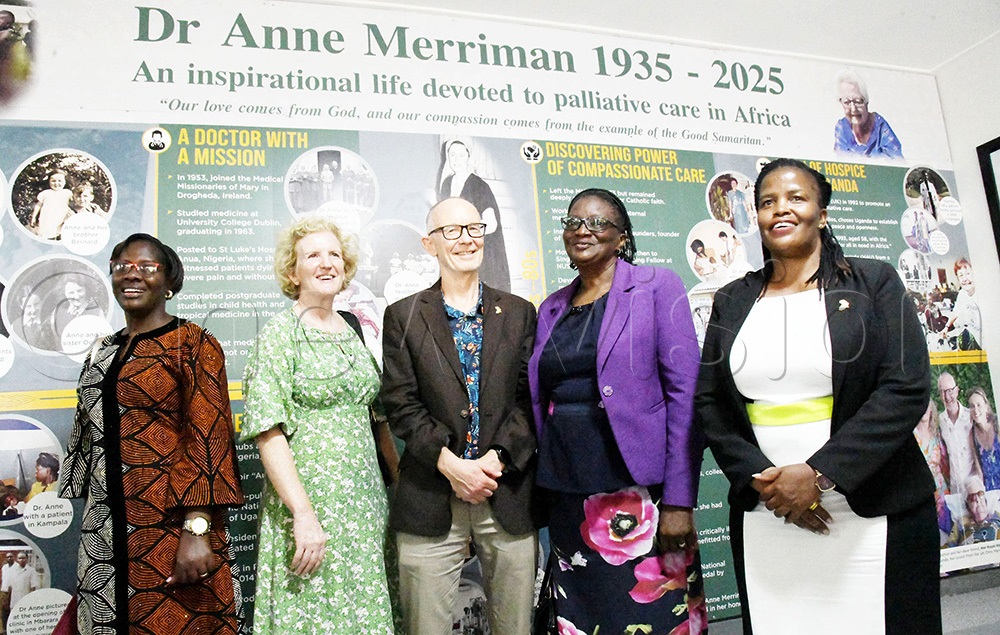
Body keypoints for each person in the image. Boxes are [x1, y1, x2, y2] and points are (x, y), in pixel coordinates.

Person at [696, 158, 940, 633]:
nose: (780, 210)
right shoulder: (731, 299)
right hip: (769, 513)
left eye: (796, 198)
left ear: (822, 214)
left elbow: (905, 386)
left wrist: (820, 475)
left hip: (870, 507)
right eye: (767, 202)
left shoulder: (874, 282)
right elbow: (711, 402)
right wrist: (764, 483)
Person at [529, 188, 706, 634]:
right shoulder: (551, 307)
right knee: (584, 620)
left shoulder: (656, 286)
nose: (582, 230)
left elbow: (686, 393)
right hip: (569, 497)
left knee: (655, 616)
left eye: (596, 222)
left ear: (622, 237)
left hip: (641, 496)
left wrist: (680, 501)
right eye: (573, 222)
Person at [60, 233, 244, 635]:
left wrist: (197, 531)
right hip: (104, 532)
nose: (132, 275)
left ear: (170, 282)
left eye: (147, 267)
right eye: (122, 266)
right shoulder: (101, 351)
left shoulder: (191, 343)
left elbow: (209, 437)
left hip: (167, 529)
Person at [381, 197, 538, 635]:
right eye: (452, 230)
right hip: (430, 496)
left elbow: (531, 399)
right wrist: (452, 465)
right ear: (429, 244)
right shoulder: (403, 316)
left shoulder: (522, 312)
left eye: (474, 228)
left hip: (506, 492)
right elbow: (401, 404)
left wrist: (495, 460)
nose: (466, 238)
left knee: (515, 627)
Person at [241, 215, 398, 634]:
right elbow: (268, 431)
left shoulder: (354, 330)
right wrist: (303, 514)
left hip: (365, 508)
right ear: (293, 271)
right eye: (313, 255)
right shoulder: (279, 334)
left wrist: (397, 491)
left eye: (334, 254)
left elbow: (377, 420)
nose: (326, 263)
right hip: (310, 508)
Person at [438, 140, 511, 292]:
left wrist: (467, 233)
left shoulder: (479, 185)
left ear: (468, 157)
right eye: (452, 155)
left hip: (479, 255)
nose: (456, 159)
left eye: (461, 155)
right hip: (456, 254)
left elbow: (491, 224)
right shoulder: (447, 183)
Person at [833, 70, 903, 159]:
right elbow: (841, 163)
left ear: (866, 101)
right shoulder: (842, 127)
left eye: (858, 101)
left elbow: (896, 162)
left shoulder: (880, 127)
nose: (853, 109)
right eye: (846, 102)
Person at [914, 400, 954, 540]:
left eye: (927, 408)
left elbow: (945, 464)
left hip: (940, 491)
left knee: (946, 533)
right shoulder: (911, 434)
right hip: (920, 490)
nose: (924, 411)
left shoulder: (937, 435)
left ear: (931, 410)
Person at [938, 371, 981, 497]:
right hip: (955, 492)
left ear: (957, 391)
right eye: (942, 392)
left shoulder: (971, 417)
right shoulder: (940, 421)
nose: (947, 396)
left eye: (950, 390)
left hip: (975, 490)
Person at [940, 257, 981, 350]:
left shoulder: (981, 292)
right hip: (975, 340)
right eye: (961, 276)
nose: (965, 279)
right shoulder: (962, 294)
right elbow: (955, 312)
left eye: (968, 274)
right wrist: (946, 327)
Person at [968, 387, 1000, 491]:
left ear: (986, 406)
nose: (975, 410)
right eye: (972, 406)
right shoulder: (972, 434)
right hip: (990, 489)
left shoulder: (997, 425)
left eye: (978, 405)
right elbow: (978, 468)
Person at [28, 170, 73, 239]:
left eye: (59, 181)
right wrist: (33, 218)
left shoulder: (68, 193)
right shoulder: (45, 193)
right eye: (53, 181)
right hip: (47, 220)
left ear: (64, 182)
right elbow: (38, 205)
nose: (56, 183)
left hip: (61, 220)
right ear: (49, 181)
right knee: (45, 236)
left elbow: (76, 203)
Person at [960, 475, 1000, 544]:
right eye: (972, 498)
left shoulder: (998, 518)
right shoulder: (961, 524)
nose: (978, 500)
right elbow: (948, 548)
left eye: (980, 494)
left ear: (985, 499)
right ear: (967, 506)